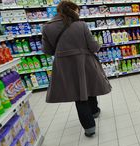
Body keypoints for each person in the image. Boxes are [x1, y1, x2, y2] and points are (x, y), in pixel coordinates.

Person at [42, 0, 111, 137]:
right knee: (89, 85)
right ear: (72, 11)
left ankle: (89, 128)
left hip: (64, 66)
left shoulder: (46, 27)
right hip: (84, 61)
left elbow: (48, 50)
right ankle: (94, 111)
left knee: (78, 94)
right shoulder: (81, 25)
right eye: (77, 11)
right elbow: (93, 46)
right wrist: (97, 46)